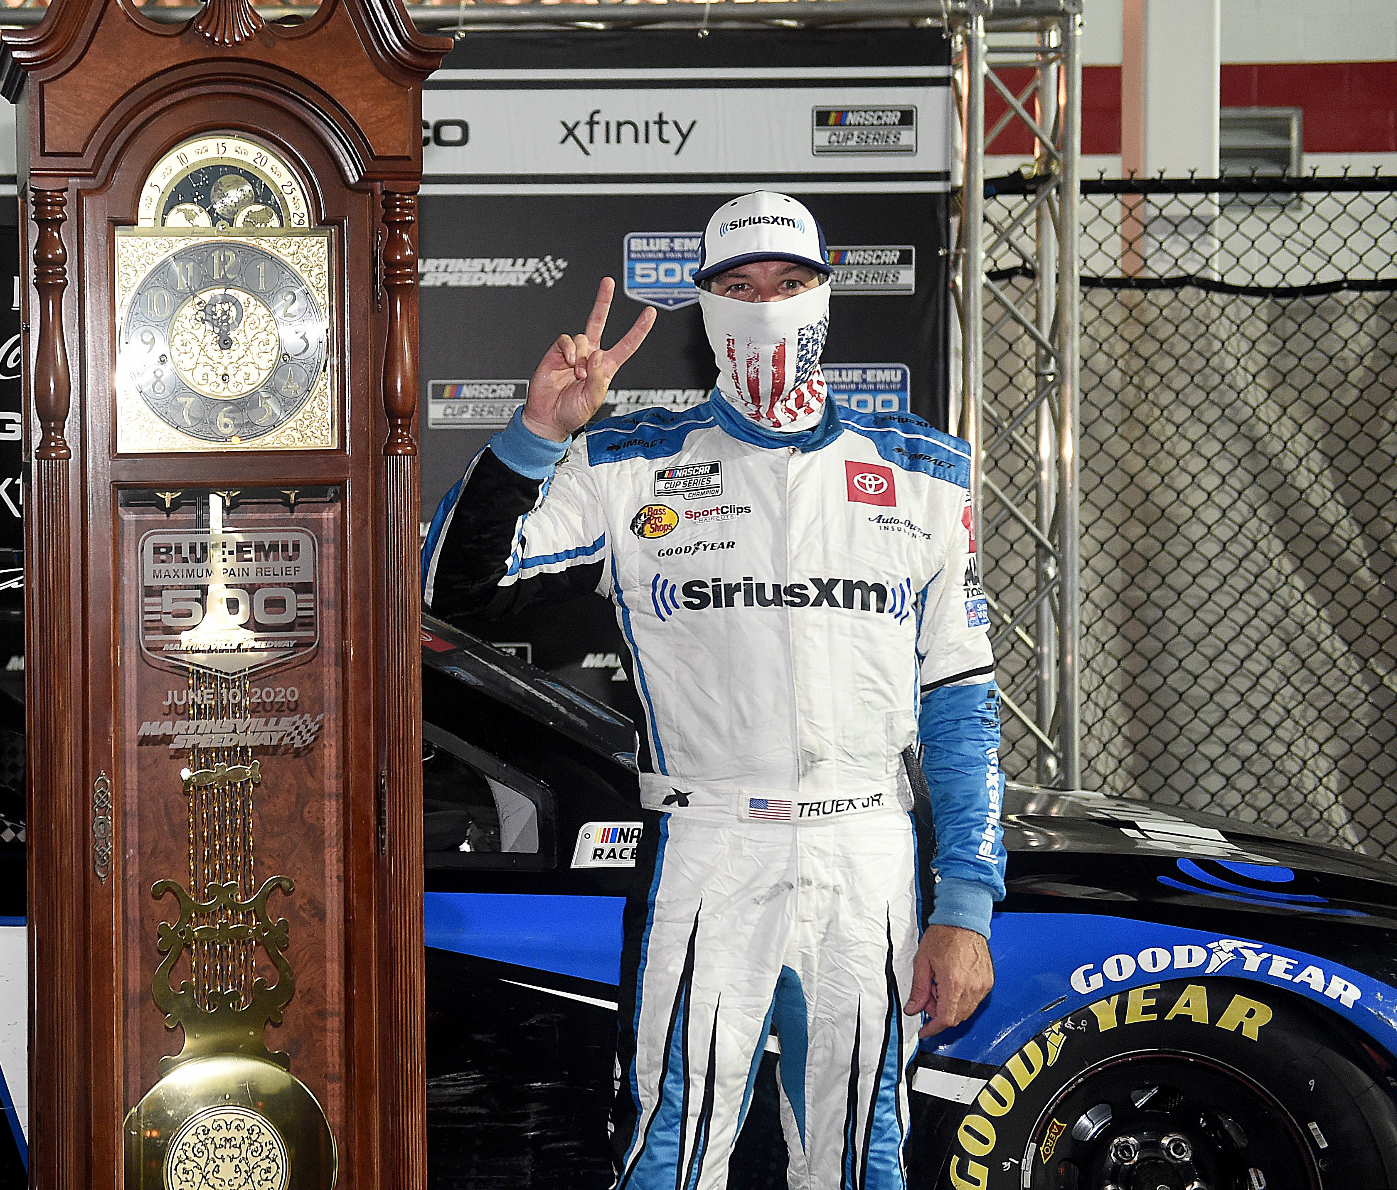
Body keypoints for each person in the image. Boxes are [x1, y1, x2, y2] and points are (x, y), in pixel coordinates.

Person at [421, 191, 1004, 1187]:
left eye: (787, 283)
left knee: (862, 1149)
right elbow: (450, 587)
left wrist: (964, 905)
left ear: (824, 295)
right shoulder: (626, 459)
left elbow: (959, 698)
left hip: (864, 847)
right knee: (670, 1144)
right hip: (706, 841)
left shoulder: (921, 470)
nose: (764, 304)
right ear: (702, 305)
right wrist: (530, 434)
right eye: (737, 287)